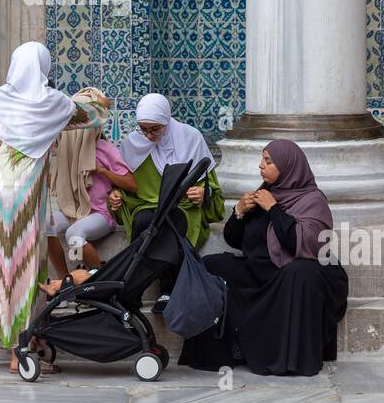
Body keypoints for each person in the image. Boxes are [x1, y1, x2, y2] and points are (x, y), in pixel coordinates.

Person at [0, 42, 100, 372]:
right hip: (17, 195)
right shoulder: (51, 103)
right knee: (20, 269)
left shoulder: (1, 97)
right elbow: (93, 117)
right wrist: (90, 97)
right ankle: (18, 353)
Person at [179, 140, 349, 376]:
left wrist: (274, 210)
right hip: (259, 271)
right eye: (262, 159)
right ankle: (222, 352)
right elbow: (235, 240)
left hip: (288, 275)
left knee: (300, 273)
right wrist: (239, 211)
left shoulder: (312, 201)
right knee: (211, 265)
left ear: (288, 166)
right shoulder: (265, 193)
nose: (261, 166)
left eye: (268, 161)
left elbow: (305, 245)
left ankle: (286, 357)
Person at [115, 93, 225, 313]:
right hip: (146, 206)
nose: (148, 135)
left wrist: (202, 194)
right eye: (143, 129)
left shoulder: (190, 138)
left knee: (169, 223)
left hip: (183, 207)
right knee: (147, 220)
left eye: (154, 129)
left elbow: (211, 186)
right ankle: (154, 289)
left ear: (166, 121)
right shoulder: (132, 143)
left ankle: (161, 288)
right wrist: (115, 196)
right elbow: (124, 185)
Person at [45, 87, 135, 277]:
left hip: (99, 213)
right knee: (45, 226)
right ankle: (64, 279)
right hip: (72, 210)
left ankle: (97, 277)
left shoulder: (104, 149)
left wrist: (101, 170)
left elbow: (131, 183)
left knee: (74, 235)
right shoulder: (64, 149)